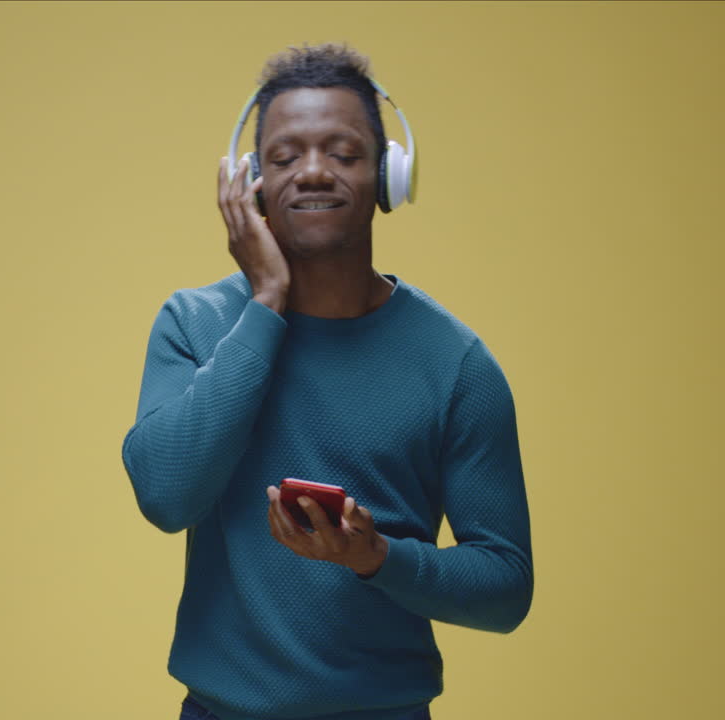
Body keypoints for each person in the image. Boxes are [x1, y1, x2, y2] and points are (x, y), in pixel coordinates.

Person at [121, 42, 533, 720]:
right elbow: (165, 496)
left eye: (343, 153)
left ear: (389, 177)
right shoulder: (193, 324)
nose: (313, 171)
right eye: (285, 157)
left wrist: (377, 557)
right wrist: (266, 305)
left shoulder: (455, 364)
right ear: (249, 181)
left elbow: (505, 587)